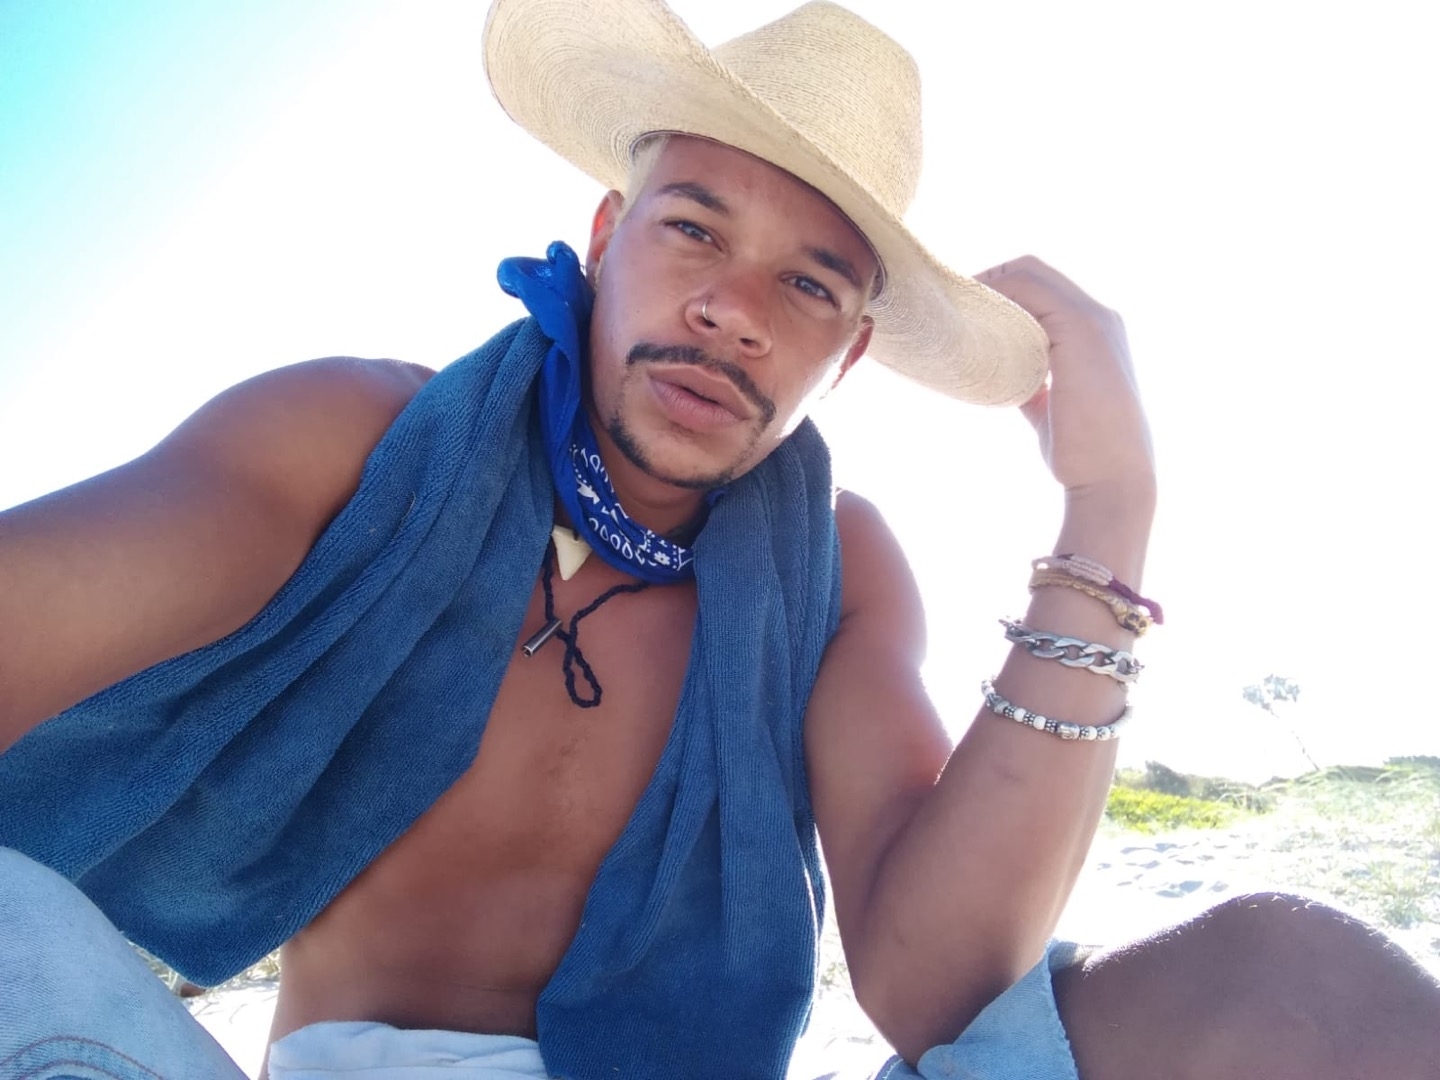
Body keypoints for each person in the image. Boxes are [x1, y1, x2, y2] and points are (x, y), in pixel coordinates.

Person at [1, 1, 1437, 1078]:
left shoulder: (840, 570)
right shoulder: (355, 445)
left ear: (847, 357)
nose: (736, 310)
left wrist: (1109, 512)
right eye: (695, 230)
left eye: (809, 286)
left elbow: (937, 989)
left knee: (1298, 977)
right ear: (607, 232)